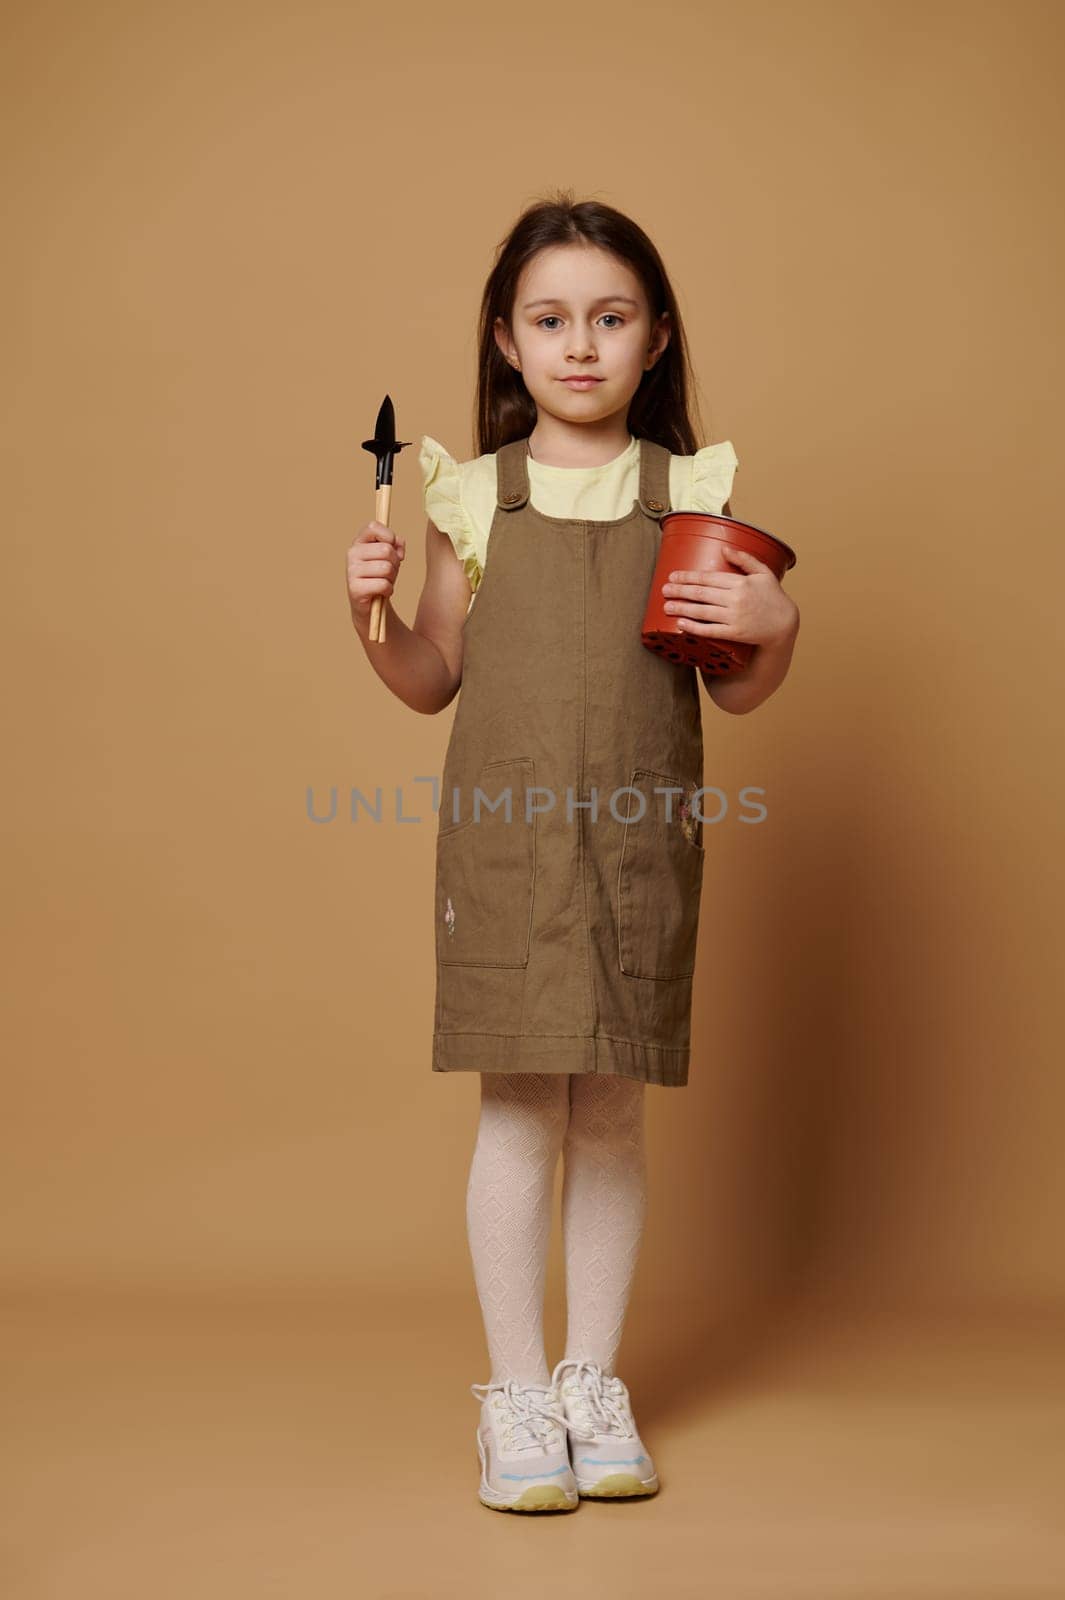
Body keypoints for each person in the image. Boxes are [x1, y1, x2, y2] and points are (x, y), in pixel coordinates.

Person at [346, 192, 800, 1514]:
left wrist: (775, 621)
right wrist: (365, 617)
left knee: (607, 1113)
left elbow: (738, 693)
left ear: (655, 339)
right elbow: (431, 676)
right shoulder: (470, 496)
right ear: (507, 341)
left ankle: (593, 1380)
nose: (580, 346)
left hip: (638, 849)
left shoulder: (688, 495)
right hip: (504, 849)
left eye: (609, 319)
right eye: (550, 320)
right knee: (517, 1111)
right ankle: (516, 1394)